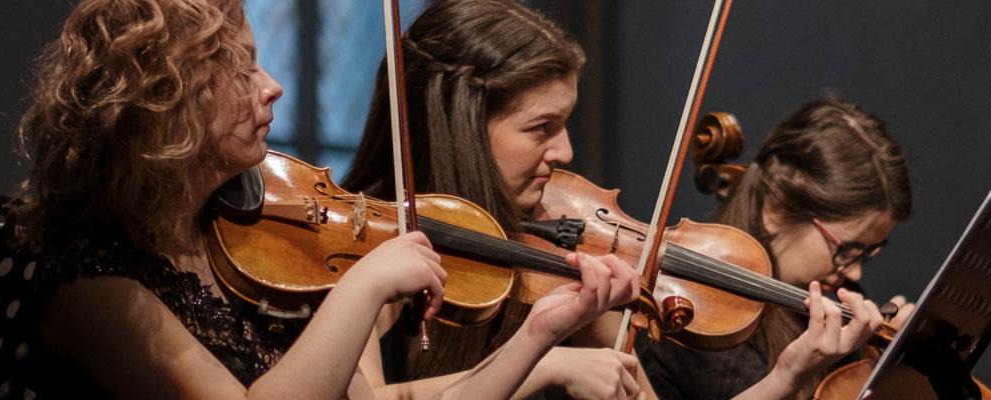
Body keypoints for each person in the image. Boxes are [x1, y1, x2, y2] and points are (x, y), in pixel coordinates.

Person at [9, 0, 636, 398]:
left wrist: (539, 338)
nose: (273, 87)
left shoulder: (241, 249)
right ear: (167, 104)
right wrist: (363, 287)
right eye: (243, 69)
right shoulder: (97, 288)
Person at [341, 1, 886, 398]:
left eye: (567, 123)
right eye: (541, 127)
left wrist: (789, 375)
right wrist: (541, 362)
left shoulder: (557, 256)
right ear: (460, 125)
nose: (567, 150)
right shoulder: (360, 245)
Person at [634, 96, 917, 400]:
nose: (855, 271)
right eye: (847, 249)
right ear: (776, 210)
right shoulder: (691, 324)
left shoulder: (825, 300)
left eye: (868, 252)